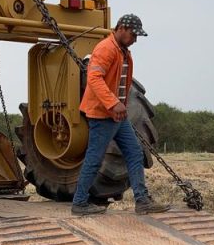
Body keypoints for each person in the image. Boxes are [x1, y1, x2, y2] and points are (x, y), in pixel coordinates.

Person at [71, 14, 170, 216]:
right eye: (133, 34)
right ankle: (79, 203)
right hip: (102, 115)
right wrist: (113, 103)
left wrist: (119, 106)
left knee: (134, 152)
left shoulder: (124, 51)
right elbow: (94, 78)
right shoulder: (105, 48)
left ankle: (142, 201)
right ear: (122, 28)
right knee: (95, 159)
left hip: (118, 117)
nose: (135, 39)